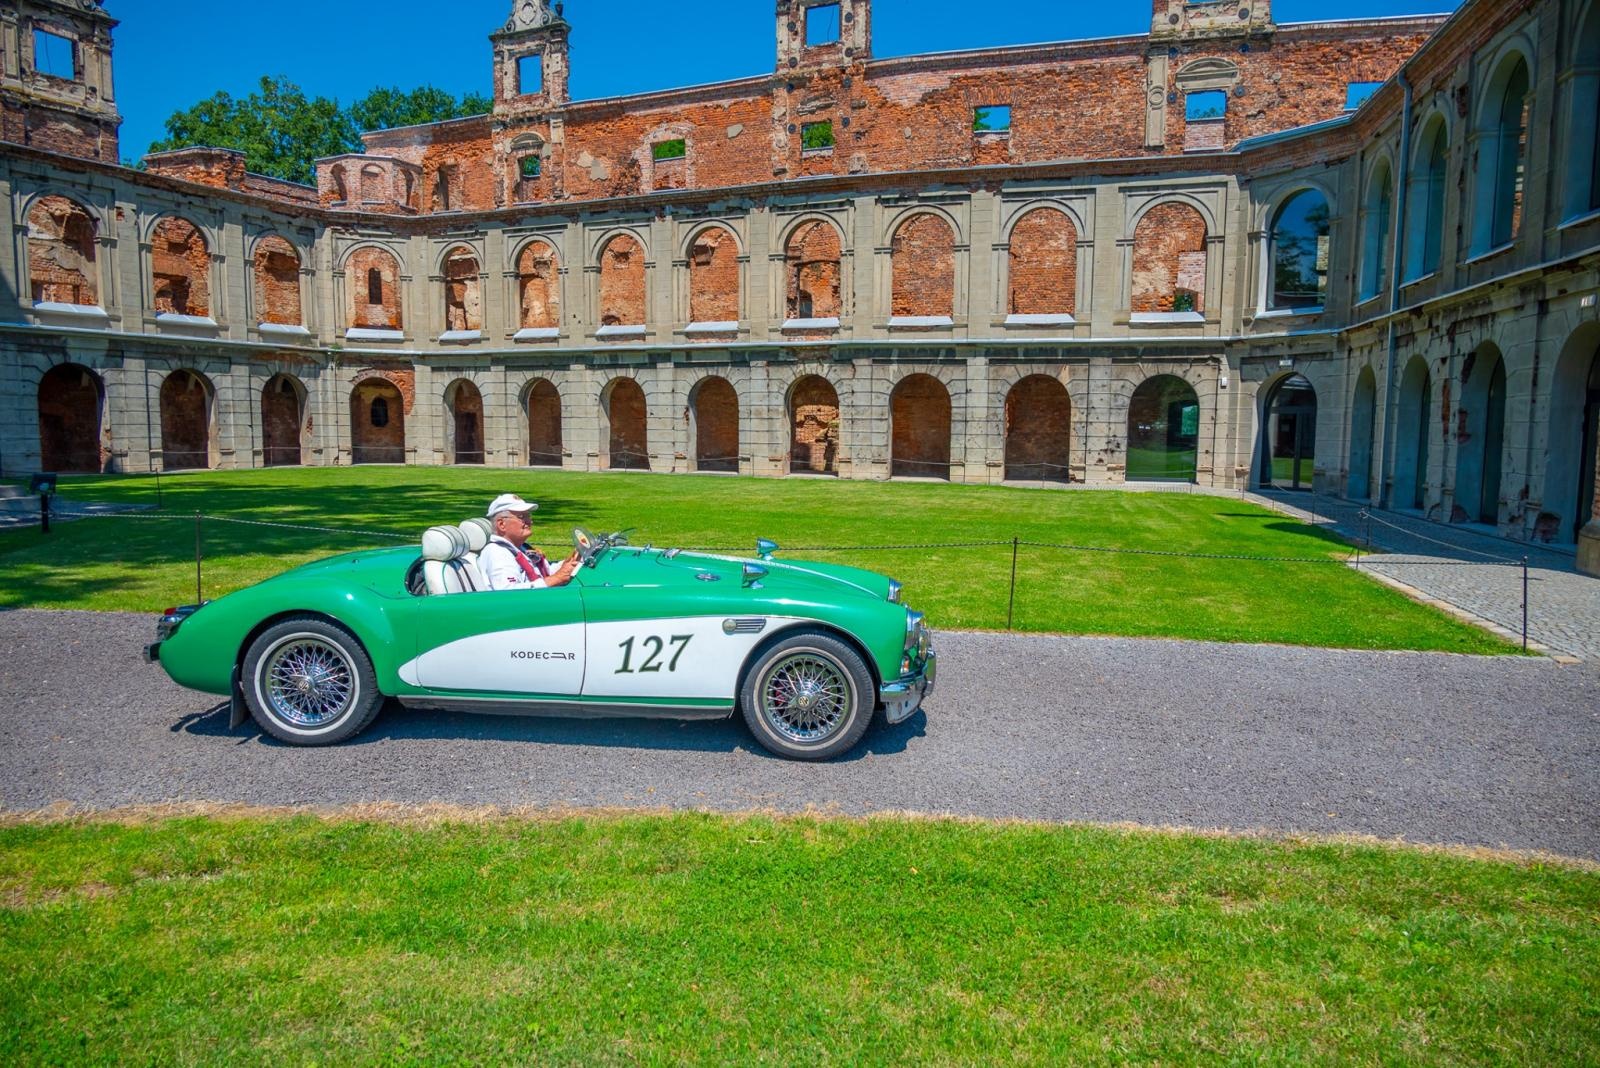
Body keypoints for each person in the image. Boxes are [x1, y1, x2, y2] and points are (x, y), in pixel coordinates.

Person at [478, 493, 580, 590]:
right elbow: (508, 593)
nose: (530, 521)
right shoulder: (498, 553)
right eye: (522, 517)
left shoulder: (520, 547)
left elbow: (543, 573)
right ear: (501, 524)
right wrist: (557, 578)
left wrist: (566, 565)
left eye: (528, 516)